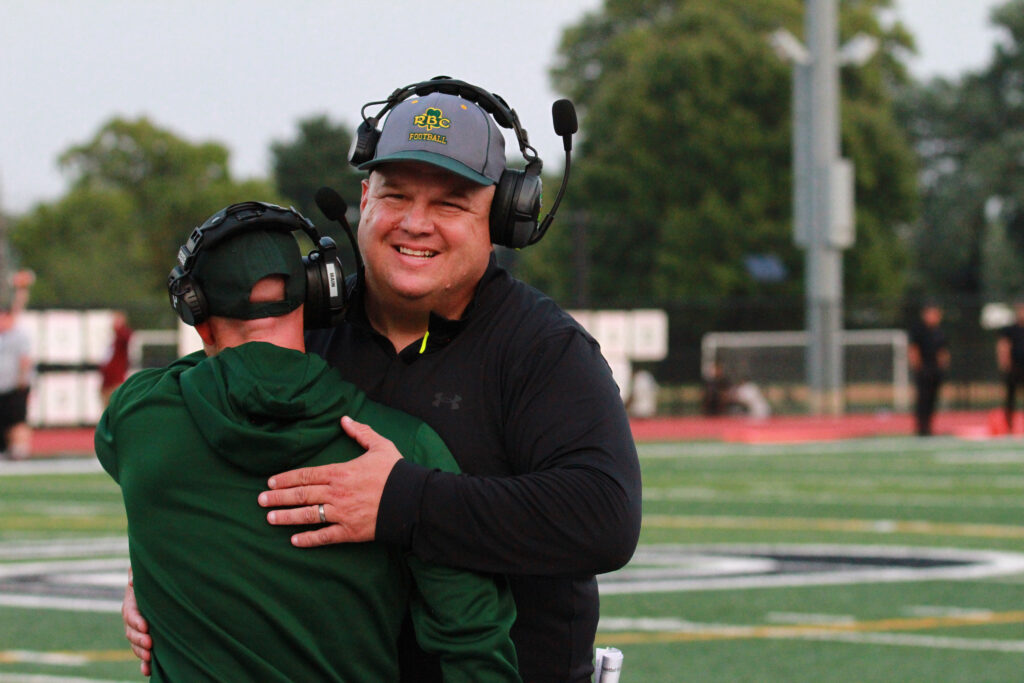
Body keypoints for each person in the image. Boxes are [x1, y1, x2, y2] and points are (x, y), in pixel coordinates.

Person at [124, 82, 641, 682]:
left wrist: (402, 501)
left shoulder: (543, 350)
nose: (415, 224)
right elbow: (200, 456)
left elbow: (604, 518)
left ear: (501, 216)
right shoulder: (299, 329)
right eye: (396, 195)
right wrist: (155, 572)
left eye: (450, 203)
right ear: (365, 197)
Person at [99, 210, 519, 681]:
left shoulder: (138, 417)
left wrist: (146, 576)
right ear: (319, 297)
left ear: (198, 318)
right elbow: (476, 639)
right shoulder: (402, 445)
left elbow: (171, 403)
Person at [0, 270, 35, 460]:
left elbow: (25, 359)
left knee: (17, 420)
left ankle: (20, 451)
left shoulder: (18, 333)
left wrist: (21, 288)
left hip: (16, 386)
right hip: (2, 387)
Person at [908, 302, 949, 436]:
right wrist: (918, 368)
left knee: (933, 399)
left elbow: (943, 351)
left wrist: (943, 366)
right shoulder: (918, 330)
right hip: (924, 369)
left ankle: (929, 427)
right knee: (923, 400)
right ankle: (921, 428)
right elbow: (914, 350)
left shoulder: (939, 332)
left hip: (935, 370)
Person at [997, 298, 1024, 433]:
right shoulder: (1010, 329)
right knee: (1010, 398)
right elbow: (1003, 346)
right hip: (1015, 367)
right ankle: (1009, 426)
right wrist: (1004, 363)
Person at [99, 311, 133, 406]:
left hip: (116, 383)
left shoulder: (121, 338)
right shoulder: (113, 341)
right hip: (107, 383)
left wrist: (119, 328)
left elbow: (126, 337)